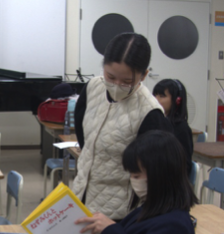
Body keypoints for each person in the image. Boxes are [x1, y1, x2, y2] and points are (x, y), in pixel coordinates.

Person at [73, 32, 172, 221]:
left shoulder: (149, 112)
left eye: (127, 81)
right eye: (110, 77)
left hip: (119, 212)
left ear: (144, 75)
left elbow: (154, 175)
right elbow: (83, 136)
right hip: (81, 196)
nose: (117, 85)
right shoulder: (93, 88)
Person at [153, 78, 194, 176]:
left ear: (177, 100)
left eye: (162, 96)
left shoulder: (181, 128)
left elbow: (185, 165)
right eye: (154, 95)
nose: (155, 100)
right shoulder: (156, 122)